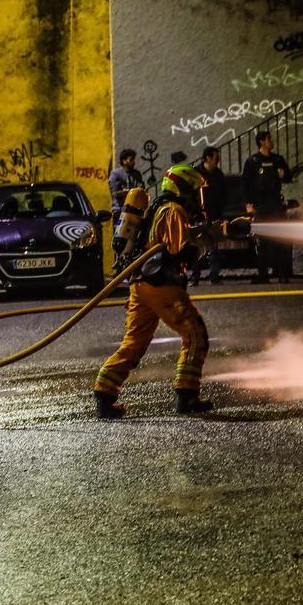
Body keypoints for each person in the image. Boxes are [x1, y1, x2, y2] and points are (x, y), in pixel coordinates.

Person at [93, 164, 213, 419]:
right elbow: (182, 252)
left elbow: (175, 238)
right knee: (195, 334)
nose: (196, 197)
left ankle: (104, 394)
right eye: (194, 191)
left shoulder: (159, 208)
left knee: (133, 343)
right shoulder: (173, 210)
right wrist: (207, 243)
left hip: (140, 284)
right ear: (183, 188)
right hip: (161, 285)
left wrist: (216, 230)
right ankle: (187, 395)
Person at [241, 131, 292, 283]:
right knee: (262, 241)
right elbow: (245, 185)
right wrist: (248, 204)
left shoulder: (278, 159)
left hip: (275, 204)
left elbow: (288, 177)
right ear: (262, 142)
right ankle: (263, 274)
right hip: (260, 205)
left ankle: (282, 274)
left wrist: (284, 175)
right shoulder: (253, 161)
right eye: (269, 139)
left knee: (280, 239)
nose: (272, 141)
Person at [191, 146, 226, 286]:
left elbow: (223, 193)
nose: (218, 160)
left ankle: (214, 276)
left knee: (214, 248)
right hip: (198, 216)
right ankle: (195, 277)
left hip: (214, 214)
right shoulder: (196, 173)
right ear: (208, 158)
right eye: (216, 157)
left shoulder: (218, 174)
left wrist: (220, 210)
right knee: (197, 247)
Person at [107, 148, 144, 222]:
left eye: (134, 160)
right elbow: (114, 193)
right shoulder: (116, 174)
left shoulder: (137, 174)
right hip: (120, 211)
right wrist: (129, 192)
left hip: (135, 211)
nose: (133, 162)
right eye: (131, 160)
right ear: (124, 161)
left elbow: (141, 189)